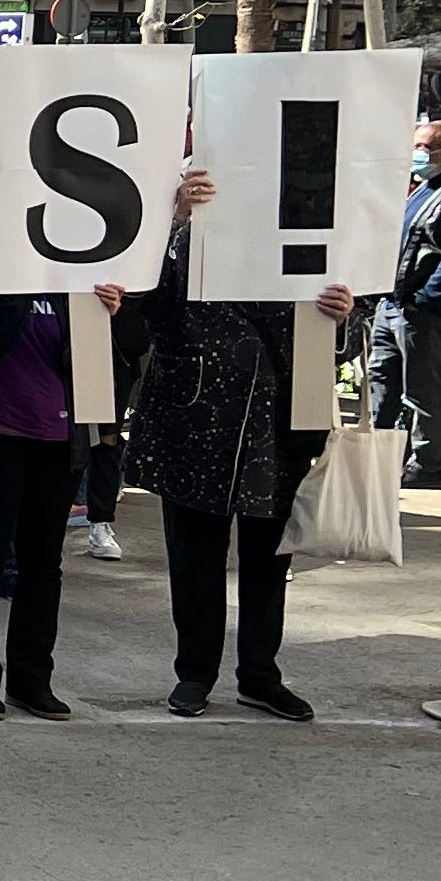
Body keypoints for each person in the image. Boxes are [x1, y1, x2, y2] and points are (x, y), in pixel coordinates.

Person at [140, 169, 355, 720]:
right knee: (194, 560)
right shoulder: (189, 240)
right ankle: (195, 673)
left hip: (279, 428)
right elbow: (152, 310)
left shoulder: (304, 250)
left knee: (268, 560)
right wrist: (176, 221)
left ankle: (260, 674)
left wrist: (342, 316)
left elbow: (338, 347)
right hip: (195, 422)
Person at [0, 172, 143, 720]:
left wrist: (114, 314)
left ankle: (31, 679)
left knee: (43, 565)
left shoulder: (88, 284)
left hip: (58, 437)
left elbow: (132, 350)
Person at [369, 114, 441, 487]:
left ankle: (423, 470)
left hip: (425, 314)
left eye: (426, 148)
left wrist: (424, 301)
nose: (418, 154)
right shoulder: (424, 187)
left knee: (424, 393)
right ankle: (379, 456)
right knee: (381, 382)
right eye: (416, 146)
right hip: (394, 305)